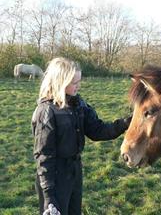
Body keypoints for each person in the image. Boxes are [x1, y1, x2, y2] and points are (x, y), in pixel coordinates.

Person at [31, 57, 131, 215]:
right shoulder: (46, 111)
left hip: (74, 170)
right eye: (74, 82)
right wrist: (49, 194)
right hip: (55, 177)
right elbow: (44, 154)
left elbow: (98, 130)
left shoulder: (79, 104)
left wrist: (125, 123)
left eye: (79, 80)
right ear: (60, 82)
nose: (79, 85)